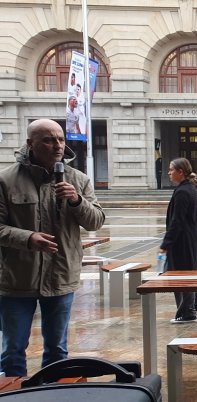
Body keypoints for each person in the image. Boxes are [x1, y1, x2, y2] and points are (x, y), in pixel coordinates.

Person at [0, 119, 105, 376]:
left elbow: (96, 221)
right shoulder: (6, 180)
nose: (57, 145)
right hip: (17, 280)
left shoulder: (77, 179)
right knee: (13, 350)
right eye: (48, 140)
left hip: (60, 277)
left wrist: (76, 201)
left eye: (60, 139)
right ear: (30, 144)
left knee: (57, 350)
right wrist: (27, 238)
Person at [159, 158, 197, 324]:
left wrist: (166, 244)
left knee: (180, 277)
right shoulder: (188, 189)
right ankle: (195, 300)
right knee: (184, 275)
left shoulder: (183, 192)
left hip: (183, 243)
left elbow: (177, 221)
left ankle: (187, 313)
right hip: (189, 241)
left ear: (180, 172)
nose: (169, 173)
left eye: (171, 170)